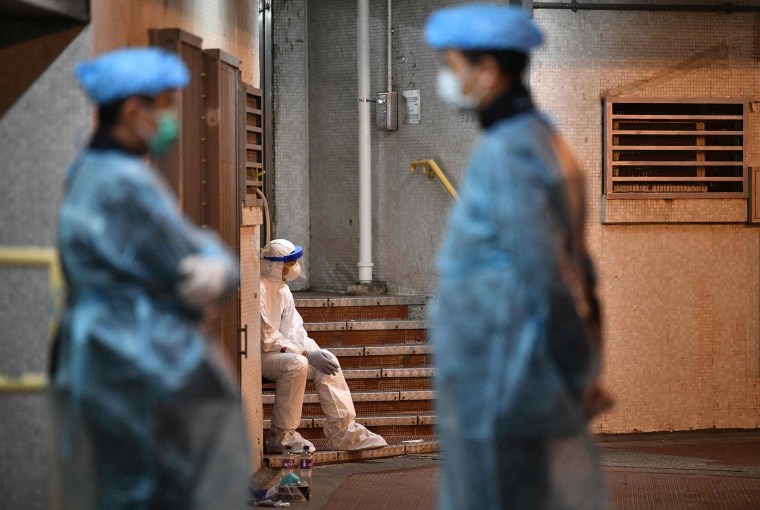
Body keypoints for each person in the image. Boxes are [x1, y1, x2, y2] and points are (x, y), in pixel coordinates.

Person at [425, 5, 612, 510]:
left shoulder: (507, 153)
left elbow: (546, 275)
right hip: (507, 376)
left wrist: (578, 372)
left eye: (453, 66)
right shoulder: (542, 140)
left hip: (501, 382)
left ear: (487, 69)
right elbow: (576, 269)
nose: (449, 80)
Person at [50, 47, 251, 509]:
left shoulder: (87, 169)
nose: (171, 118)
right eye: (165, 104)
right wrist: (218, 265)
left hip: (100, 357)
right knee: (153, 486)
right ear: (134, 110)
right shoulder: (124, 181)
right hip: (136, 358)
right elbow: (179, 256)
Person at [259, 239, 387, 453]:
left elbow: (295, 330)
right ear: (276, 265)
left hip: (282, 353)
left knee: (327, 358)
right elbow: (267, 338)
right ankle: (281, 436)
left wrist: (315, 351)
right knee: (297, 364)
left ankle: (344, 431)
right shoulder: (258, 288)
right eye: (290, 263)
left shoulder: (283, 291)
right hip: (258, 356)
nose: (295, 267)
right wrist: (306, 353)